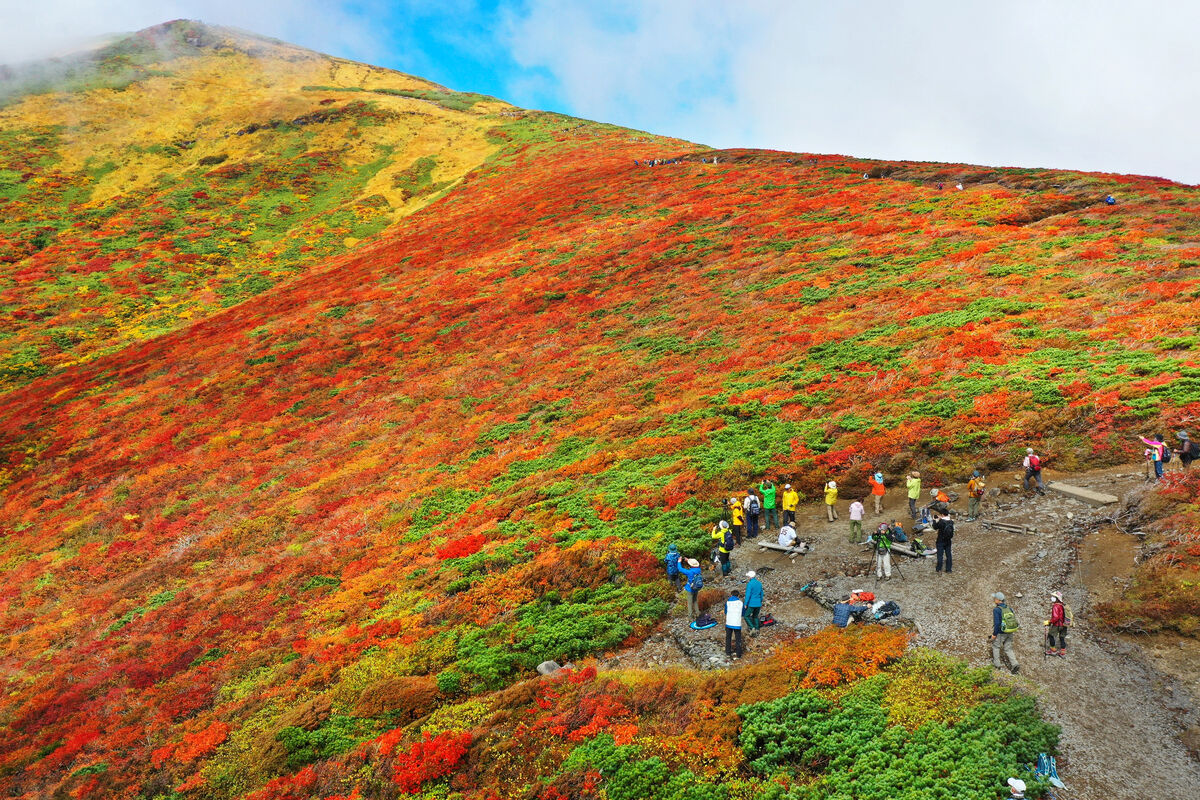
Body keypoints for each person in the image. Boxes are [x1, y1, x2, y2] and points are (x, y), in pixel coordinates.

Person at [990, 592, 1020, 674]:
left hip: (1001, 632)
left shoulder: (996, 610)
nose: (994, 599)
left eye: (995, 598)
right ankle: (1015, 664)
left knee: (996, 646)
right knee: (1008, 648)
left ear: (998, 600)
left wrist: (994, 634)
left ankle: (997, 664)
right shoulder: (1009, 608)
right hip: (1010, 631)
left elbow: (997, 623)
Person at [1045, 591, 1068, 656]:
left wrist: (1049, 622)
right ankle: (1063, 652)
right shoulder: (1062, 605)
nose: (1052, 598)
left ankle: (1053, 650)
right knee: (1062, 637)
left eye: (1054, 597)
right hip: (1064, 624)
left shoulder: (1056, 606)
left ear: (1057, 598)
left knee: (1051, 635)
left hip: (1057, 624)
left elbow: (1055, 617)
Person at [725, 589, 744, 658]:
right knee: (738, 638)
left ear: (731, 594)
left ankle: (728, 652)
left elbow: (725, 612)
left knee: (728, 638)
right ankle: (738, 654)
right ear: (738, 595)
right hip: (737, 623)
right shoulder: (741, 603)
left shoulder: (728, 602)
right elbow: (743, 613)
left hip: (729, 622)